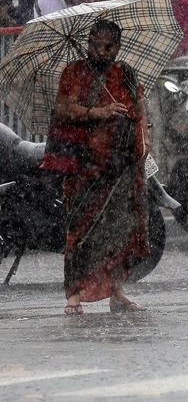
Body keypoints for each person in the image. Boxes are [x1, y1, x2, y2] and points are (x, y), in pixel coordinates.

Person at [40, 20, 151, 314]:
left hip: (121, 165)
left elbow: (140, 107)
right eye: (96, 44)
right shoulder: (75, 72)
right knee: (81, 231)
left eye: (109, 46)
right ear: (88, 43)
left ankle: (117, 293)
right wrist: (99, 112)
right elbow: (64, 107)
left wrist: (144, 136)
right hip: (86, 166)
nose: (101, 51)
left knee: (118, 232)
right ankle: (74, 296)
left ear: (118, 46)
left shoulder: (125, 73)